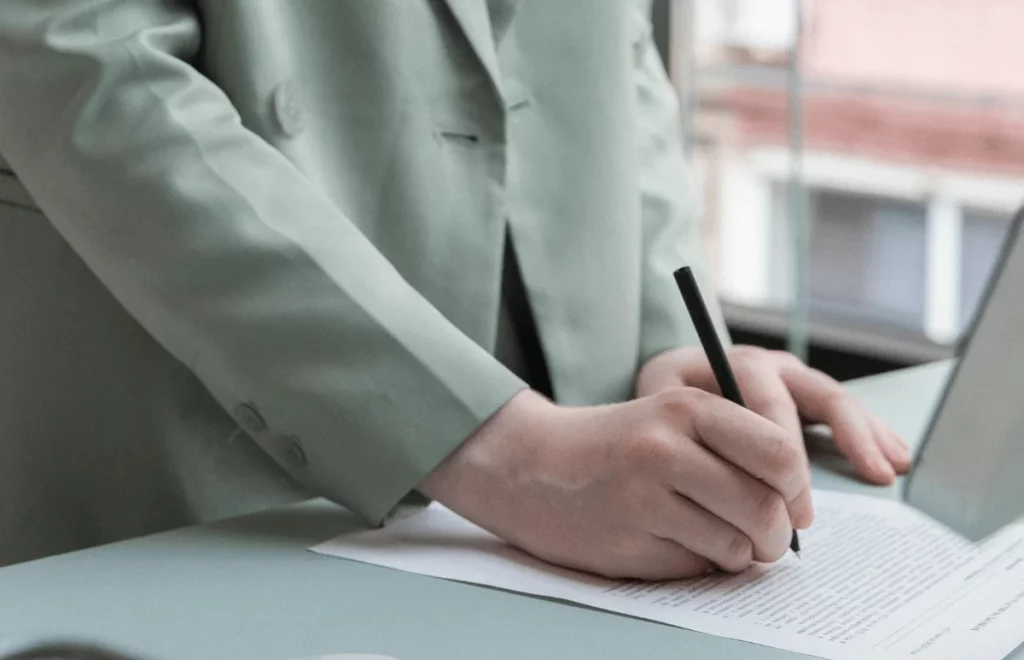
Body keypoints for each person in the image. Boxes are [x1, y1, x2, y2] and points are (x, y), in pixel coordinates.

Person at [0, 0, 909, 574]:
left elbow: (617, 46)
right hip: (209, 504)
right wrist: (512, 455)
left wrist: (665, 341)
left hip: (571, 514)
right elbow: (80, 62)